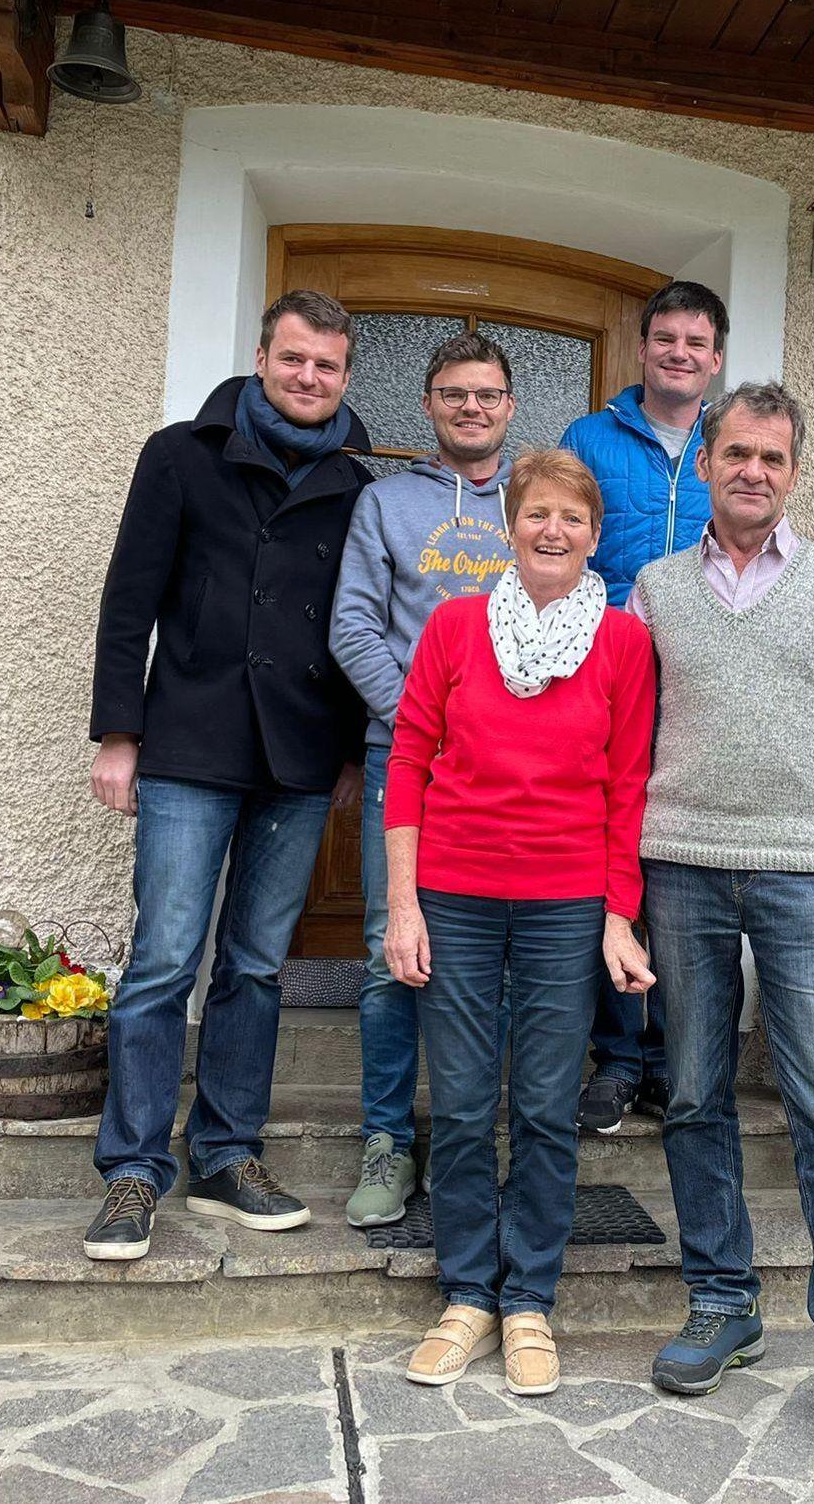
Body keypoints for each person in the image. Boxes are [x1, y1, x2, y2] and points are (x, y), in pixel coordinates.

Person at [629, 383, 814, 1472]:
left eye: (772, 457)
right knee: (694, 1093)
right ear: (705, 464)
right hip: (680, 865)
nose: (753, 471)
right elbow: (624, 733)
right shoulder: (655, 588)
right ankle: (723, 1299)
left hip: (806, 872)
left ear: (794, 472)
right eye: (736, 454)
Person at [83, 289, 370, 1261]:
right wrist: (118, 734)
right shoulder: (180, 454)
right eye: (294, 359)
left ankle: (226, 1154)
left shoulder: (356, 482)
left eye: (326, 365)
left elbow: (355, 624)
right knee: (165, 958)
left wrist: (346, 749)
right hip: (189, 742)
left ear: (344, 376)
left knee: (254, 963)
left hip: (298, 753)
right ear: (261, 358)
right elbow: (130, 600)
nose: (308, 377)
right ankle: (132, 1170)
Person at [382, 448, 656, 1397]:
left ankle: (529, 1298)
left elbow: (627, 788)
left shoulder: (622, 642)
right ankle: (468, 1294)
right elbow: (408, 759)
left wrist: (619, 917)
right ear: (511, 527)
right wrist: (403, 905)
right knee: (461, 1105)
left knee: (543, 1106)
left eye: (572, 518)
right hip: (453, 895)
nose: (553, 531)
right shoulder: (456, 627)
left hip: (565, 904)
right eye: (537, 513)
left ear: (594, 536)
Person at [330, 330, 519, 1230]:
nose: (470, 408)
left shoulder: (534, 500)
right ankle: (386, 1139)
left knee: (492, 958)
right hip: (400, 756)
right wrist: (421, 725)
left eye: (486, 394)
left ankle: (466, 1139)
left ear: (510, 406)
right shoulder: (384, 504)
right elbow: (353, 627)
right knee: (387, 950)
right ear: (428, 404)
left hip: (509, 770)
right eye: (453, 394)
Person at [559, 279, 727, 1134]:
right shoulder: (588, 438)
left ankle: (674, 1061)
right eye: (666, 338)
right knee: (610, 858)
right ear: (643, 348)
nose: (679, 354)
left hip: (701, 688)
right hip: (606, 681)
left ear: (716, 359)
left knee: (680, 866)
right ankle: (619, 1058)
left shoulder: (729, 444)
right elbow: (561, 543)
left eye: (696, 342)